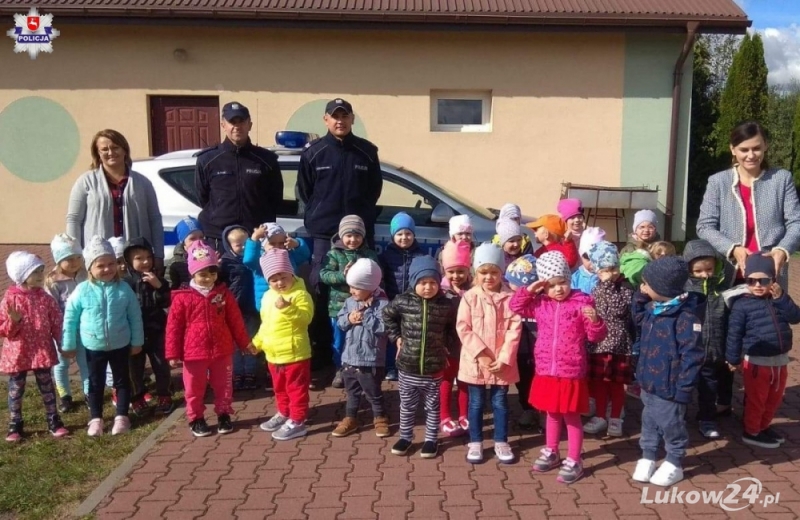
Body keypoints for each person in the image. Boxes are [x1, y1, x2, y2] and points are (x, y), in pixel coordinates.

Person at [297, 98, 382, 371]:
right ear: (326, 120)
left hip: (358, 235)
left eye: (345, 116)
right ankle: (325, 354)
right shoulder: (314, 153)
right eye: (335, 116)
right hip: (325, 234)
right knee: (322, 290)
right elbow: (305, 192)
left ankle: (360, 353)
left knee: (363, 288)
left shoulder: (366, 152)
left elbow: (374, 190)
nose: (340, 121)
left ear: (352, 119)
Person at [509, 251, 606, 484]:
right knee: (551, 414)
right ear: (544, 286)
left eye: (562, 282)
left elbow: (596, 337)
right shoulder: (541, 303)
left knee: (571, 417)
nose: (558, 289)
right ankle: (551, 451)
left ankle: (574, 459)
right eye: (551, 285)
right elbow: (515, 306)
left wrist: (595, 321)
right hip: (546, 370)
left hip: (571, 371)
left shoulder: (582, 303)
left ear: (569, 279)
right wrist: (530, 290)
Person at [166, 240, 255, 437]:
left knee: (224, 386)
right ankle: (196, 418)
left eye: (212, 273)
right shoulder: (182, 297)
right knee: (194, 388)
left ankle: (224, 414)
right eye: (203, 274)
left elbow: (235, 320)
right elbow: (173, 328)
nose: (208, 278)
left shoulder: (223, 293)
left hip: (222, 350)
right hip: (193, 353)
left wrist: (244, 342)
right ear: (192, 273)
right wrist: (173, 353)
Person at [698, 121, 800, 291]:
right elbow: (704, 226)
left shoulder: (781, 179)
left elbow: (796, 222)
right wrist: (732, 248)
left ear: (765, 145)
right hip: (730, 275)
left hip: (770, 277)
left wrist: (783, 249)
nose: (751, 155)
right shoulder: (718, 182)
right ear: (733, 149)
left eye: (756, 148)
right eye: (744, 150)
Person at [631, 256, 703, 487]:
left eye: (646, 284)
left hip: (670, 386)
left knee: (671, 424)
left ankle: (674, 460)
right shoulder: (653, 309)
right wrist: (640, 296)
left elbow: (692, 356)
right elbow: (637, 318)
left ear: (662, 288)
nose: (642, 287)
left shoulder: (685, 317)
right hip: (649, 382)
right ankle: (648, 455)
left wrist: (684, 388)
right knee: (649, 419)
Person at [62, 236, 145, 437]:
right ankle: (96, 418)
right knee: (95, 383)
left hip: (120, 344)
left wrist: (137, 342)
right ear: (90, 268)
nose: (107, 269)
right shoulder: (82, 291)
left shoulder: (124, 289)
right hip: (93, 346)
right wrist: (68, 344)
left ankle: (122, 416)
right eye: (100, 265)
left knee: (122, 381)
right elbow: (70, 319)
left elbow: (135, 317)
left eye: (111, 264)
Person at [383, 256, 458, 459]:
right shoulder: (402, 301)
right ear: (413, 281)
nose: (428, 287)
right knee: (407, 406)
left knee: (432, 407)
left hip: (434, 368)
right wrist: (396, 337)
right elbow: (387, 315)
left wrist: (447, 344)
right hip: (408, 366)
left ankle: (431, 439)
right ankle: (405, 437)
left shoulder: (446, 305)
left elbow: (453, 328)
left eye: (433, 282)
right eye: (423, 282)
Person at [725, 254, 799, 449]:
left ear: (773, 280)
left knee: (774, 398)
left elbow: (795, 317)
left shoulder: (779, 299)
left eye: (763, 280)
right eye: (751, 280)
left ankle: (763, 426)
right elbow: (734, 333)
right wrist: (733, 358)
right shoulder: (741, 305)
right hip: (757, 362)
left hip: (780, 360)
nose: (757, 285)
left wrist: (781, 298)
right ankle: (752, 431)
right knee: (757, 399)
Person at [66, 129, 164, 274]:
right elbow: (74, 219)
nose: (110, 152)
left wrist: (159, 255)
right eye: (104, 149)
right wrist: (74, 255)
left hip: (135, 261)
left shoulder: (143, 183)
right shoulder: (85, 182)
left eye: (115, 147)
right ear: (98, 154)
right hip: (99, 261)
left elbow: (154, 219)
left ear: (125, 150)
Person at [457, 244, 522, 464]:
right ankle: (475, 441)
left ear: (501, 272)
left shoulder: (510, 297)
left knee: (500, 402)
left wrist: (504, 358)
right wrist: (481, 354)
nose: (489, 277)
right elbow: (463, 328)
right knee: (476, 403)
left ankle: (501, 440)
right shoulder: (469, 297)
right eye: (483, 272)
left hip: (501, 363)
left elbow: (514, 330)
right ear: (476, 272)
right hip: (475, 362)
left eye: (494, 272)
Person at [194, 102, 283, 252]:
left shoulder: (266, 160)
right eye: (232, 122)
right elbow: (202, 197)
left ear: (250, 125)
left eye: (241, 121)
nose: (237, 126)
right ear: (223, 125)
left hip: (256, 237)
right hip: (218, 238)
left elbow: (275, 198)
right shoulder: (207, 160)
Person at [1, 252, 69, 441]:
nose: (41, 275)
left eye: (41, 270)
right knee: (16, 388)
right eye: (35, 272)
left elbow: (57, 322)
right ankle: (15, 423)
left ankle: (53, 419)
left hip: (41, 350)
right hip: (18, 352)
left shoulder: (46, 298)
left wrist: (62, 343)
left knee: (47, 385)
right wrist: (14, 321)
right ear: (22, 276)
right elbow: (4, 330)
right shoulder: (10, 299)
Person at [254, 249, 315, 441]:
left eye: (283, 277)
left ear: (291, 274)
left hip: (295, 353)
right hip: (273, 354)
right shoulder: (268, 296)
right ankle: (284, 412)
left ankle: (297, 420)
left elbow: (305, 319)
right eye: (274, 279)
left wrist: (288, 308)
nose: (279, 283)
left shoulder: (300, 295)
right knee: (279, 388)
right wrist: (257, 342)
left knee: (296, 389)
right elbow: (266, 324)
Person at [332, 258, 391, 438]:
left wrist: (366, 317)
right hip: (349, 358)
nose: (351, 291)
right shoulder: (350, 301)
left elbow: (384, 328)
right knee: (352, 392)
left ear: (370, 287)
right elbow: (340, 322)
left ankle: (380, 417)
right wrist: (349, 318)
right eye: (351, 286)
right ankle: (350, 418)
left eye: (356, 287)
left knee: (373, 392)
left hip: (371, 359)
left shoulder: (383, 304)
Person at [320, 215, 380, 388]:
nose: (353, 240)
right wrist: (343, 275)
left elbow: (377, 276)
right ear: (341, 235)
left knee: (360, 339)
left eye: (357, 235)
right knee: (339, 341)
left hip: (363, 307)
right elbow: (324, 275)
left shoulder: (369, 255)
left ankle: (360, 369)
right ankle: (340, 369)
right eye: (349, 235)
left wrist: (372, 295)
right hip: (338, 308)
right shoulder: (334, 254)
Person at [583, 242, 634, 438]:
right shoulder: (596, 287)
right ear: (597, 271)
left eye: (613, 268)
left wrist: (608, 285)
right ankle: (600, 415)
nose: (610, 274)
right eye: (605, 270)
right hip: (598, 343)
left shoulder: (625, 287)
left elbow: (618, 309)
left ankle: (615, 418)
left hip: (619, 344)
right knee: (599, 382)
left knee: (616, 383)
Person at [683, 239, 733, 439]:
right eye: (698, 271)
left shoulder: (721, 292)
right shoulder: (684, 293)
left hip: (713, 353)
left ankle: (707, 419)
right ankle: (678, 418)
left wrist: (729, 351)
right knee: (684, 388)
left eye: (709, 269)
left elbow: (729, 324)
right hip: (688, 353)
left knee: (709, 388)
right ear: (689, 270)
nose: (705, 274)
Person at [122, 237, 173, 416]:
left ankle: (164, 395)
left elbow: (167, 301)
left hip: (156, 330)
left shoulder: (158, 280)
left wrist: (158, 286)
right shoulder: (125, 283)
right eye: (139, 258)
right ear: (129, 261)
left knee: (161, 364)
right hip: (133, 333)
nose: (145, 262)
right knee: (134, 368)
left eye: (148, 257)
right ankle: (137, 397)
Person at [378, 212, 425, 381]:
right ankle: (391, 367)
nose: (404, 237)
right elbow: (381, 278)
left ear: (414, 235)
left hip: (412, 304)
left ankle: (408, 366)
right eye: (399, 234)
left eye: (408, 233)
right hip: (392, 303)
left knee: (410, 335)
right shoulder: (386, 256)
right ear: (393, 236)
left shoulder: (420, 255)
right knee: (393, 335)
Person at [46, 234, 89, 413]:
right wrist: (57, 332)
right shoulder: (53, 282)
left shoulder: (85, 275)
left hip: (85, 329)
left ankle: (89, 393)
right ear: (58, 260)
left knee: (85, 362)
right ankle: (65, 396)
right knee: (61, 364)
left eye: (78, 257)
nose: (74, 262)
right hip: (62, 332)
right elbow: (51, 310)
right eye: (69, 259)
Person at [220, 225, 260, 391]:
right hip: (233, 310)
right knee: (235, 344)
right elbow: (219, 284)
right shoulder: (225, 263)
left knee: (251, 341)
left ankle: (250, 371)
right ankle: (237, 373)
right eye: (238, 245)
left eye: (246, 243)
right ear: (229, 245)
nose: (243, 247)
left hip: (251, 308)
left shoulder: (254, 258)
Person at [438, 241, 472, 437]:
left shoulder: (473, 291)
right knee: (446, 380)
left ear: (468, 271)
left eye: (461, 271)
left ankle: (464, 415)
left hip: (467, 345)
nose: (456, 276)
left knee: (465, 381)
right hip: (447, 345)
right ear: (444, 271)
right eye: (451, 272)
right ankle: (444, 416)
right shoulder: (440, 292)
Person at [504, 255, 539, 430]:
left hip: (539, 350)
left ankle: (541, 411)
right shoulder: (512, 299)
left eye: (513, 282)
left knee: (538, 382)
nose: (509, 285)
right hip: (519, 350)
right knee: (522, 382)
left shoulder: (540, 300)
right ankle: (527, 408)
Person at [244, 223, 311, 314]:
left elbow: (304, 255)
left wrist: (297, 244)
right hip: (268, 304)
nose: (277, 246)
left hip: (289, 299)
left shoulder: (288, 255)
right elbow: (249, 260)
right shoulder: (260, 258)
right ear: (263, 244)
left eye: (281, 243)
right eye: (272, 243)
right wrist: (254, 238)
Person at [168, 217, 204, 290]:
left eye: (201, 237)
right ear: (183, 242)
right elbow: (170, 289)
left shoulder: (209, 256)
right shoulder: (175, 262)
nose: (198, 242)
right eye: (192, 238)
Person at [572, 227, 605, 295]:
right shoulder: (575, 278)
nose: (593, 262)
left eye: (597, 257)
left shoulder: (607, 275)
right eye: (587, 258)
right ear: (581, 256)